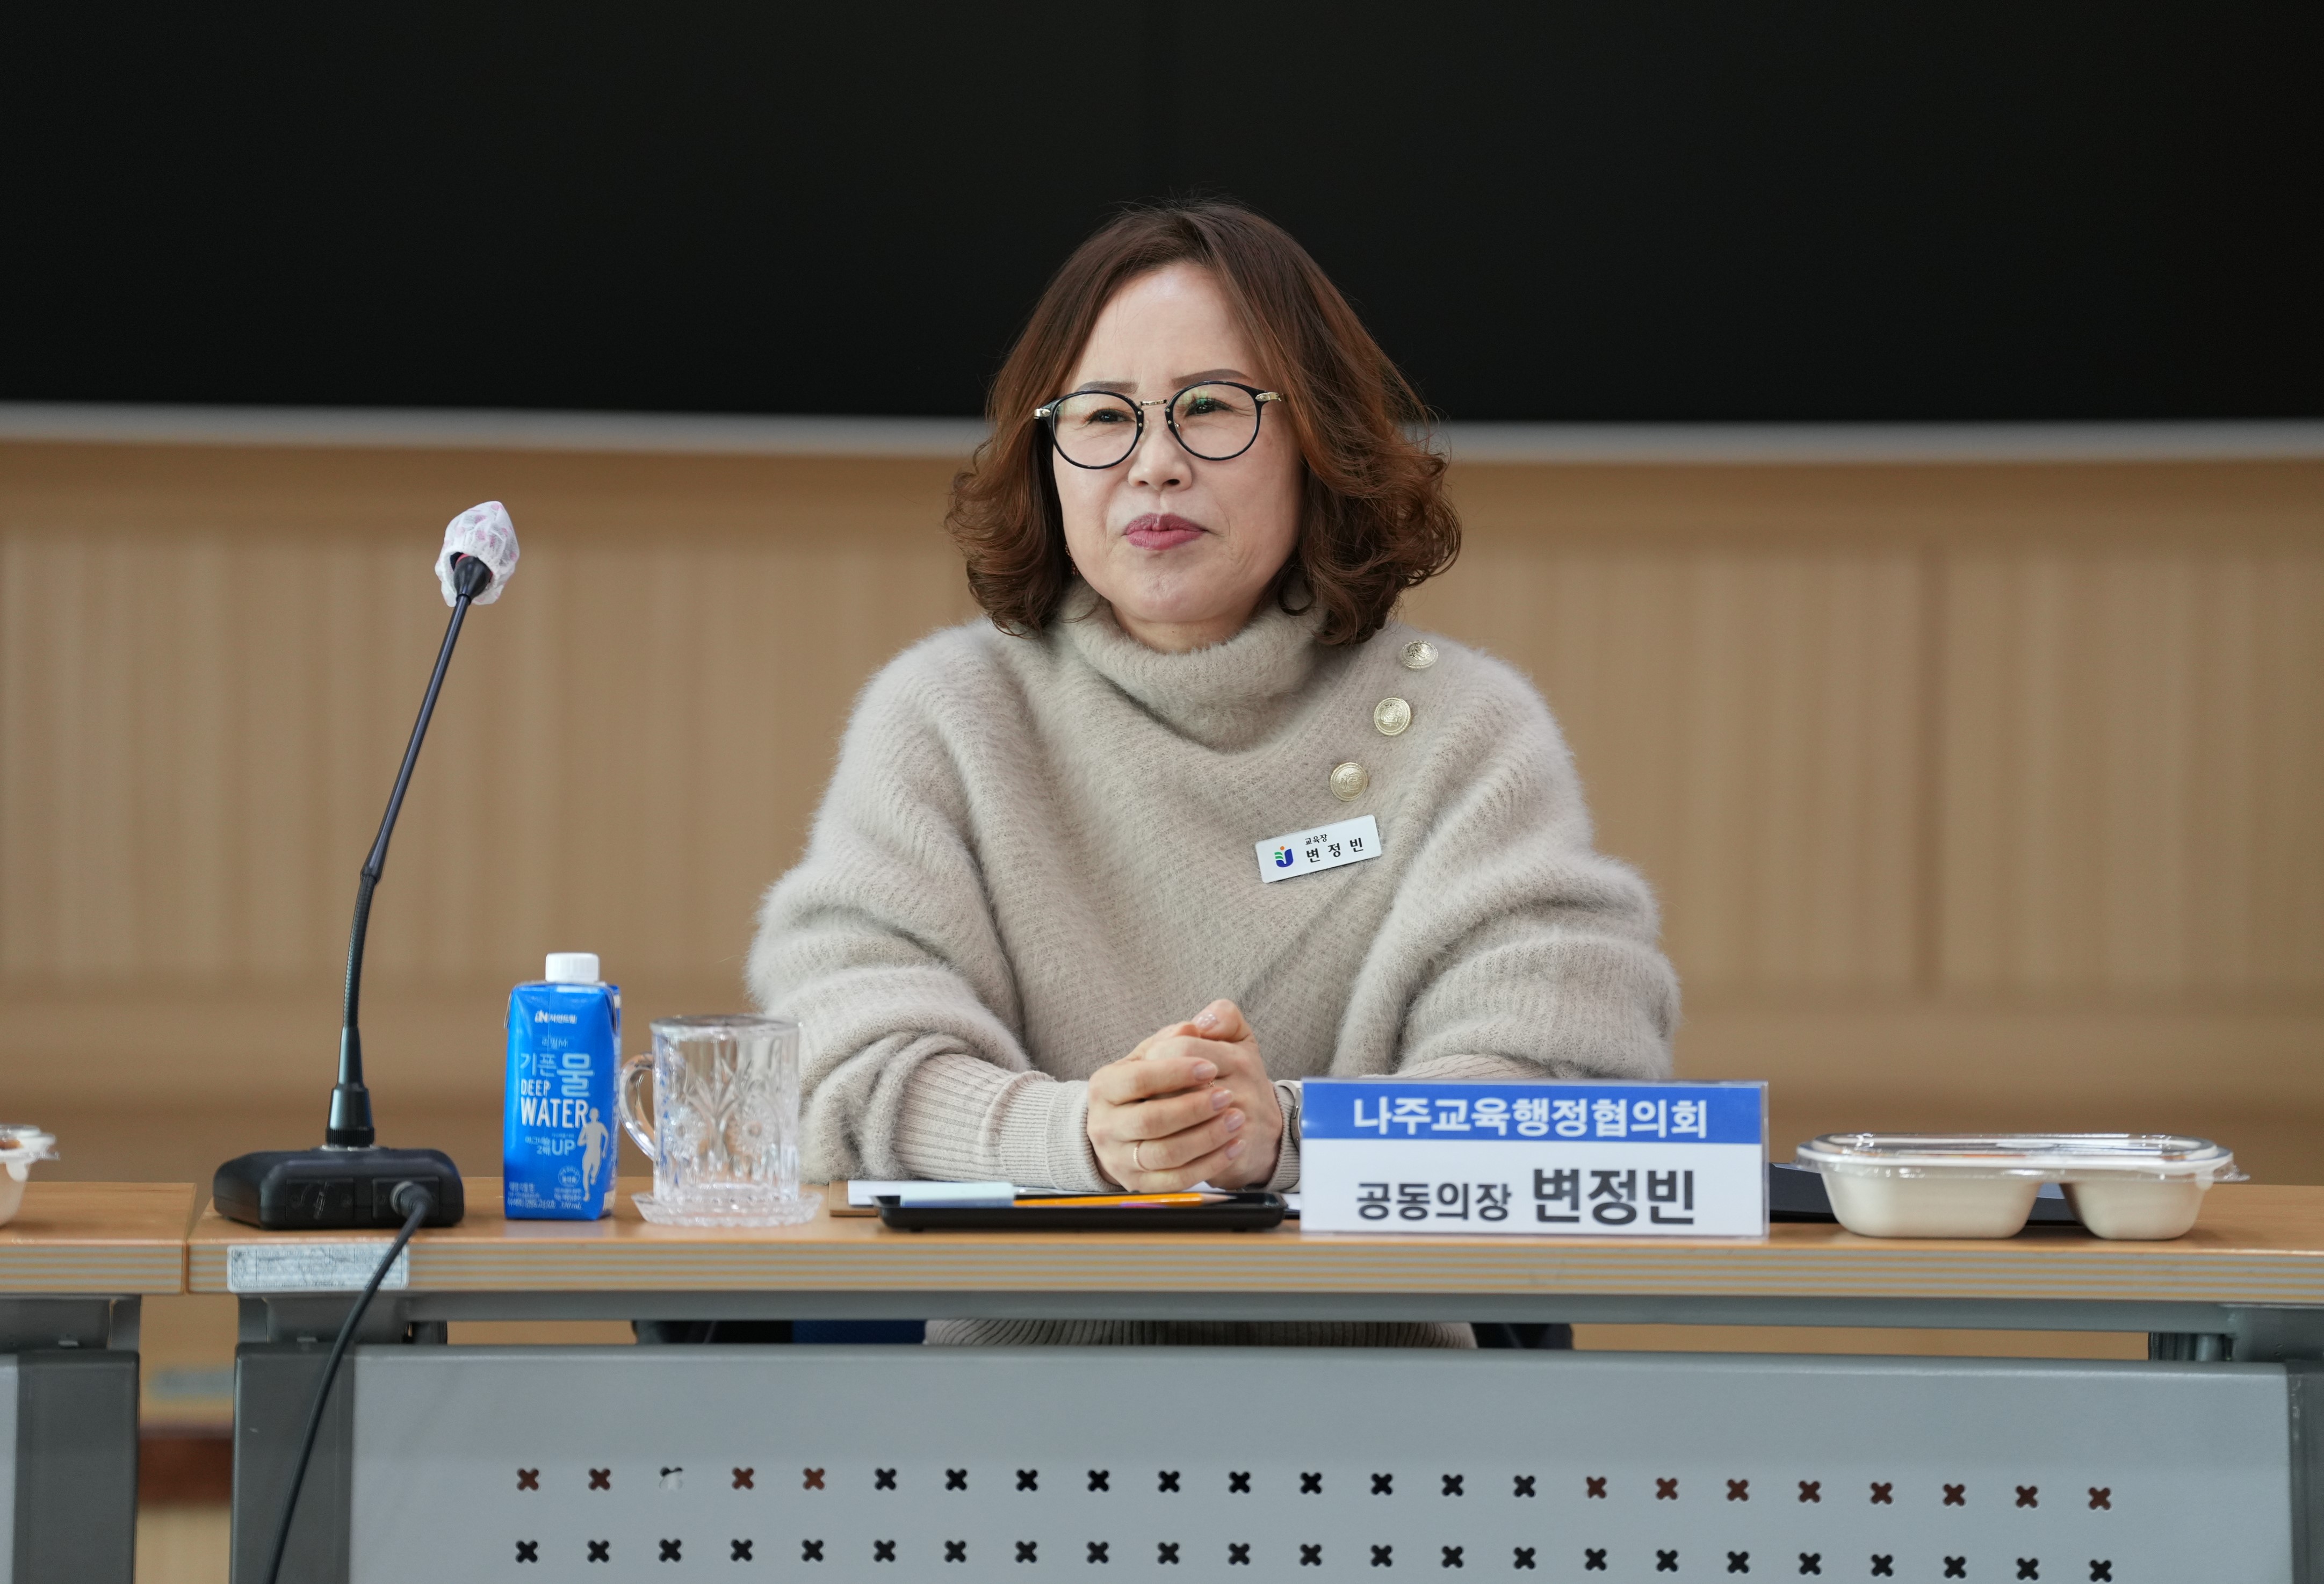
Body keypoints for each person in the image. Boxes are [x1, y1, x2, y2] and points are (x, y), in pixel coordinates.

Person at [747, 201, 1678, 1347]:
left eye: (1210, 409)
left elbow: (1567, 1079)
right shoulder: (947, 714)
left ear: (1317, 438)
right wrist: (1084, 1137)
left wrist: (1285, 1136)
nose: (1155, 464)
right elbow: (837, 1061)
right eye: (1102, 416)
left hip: (1383, 1424)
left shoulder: (1466, 729)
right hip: (1007, 1427)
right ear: (1046, 455)